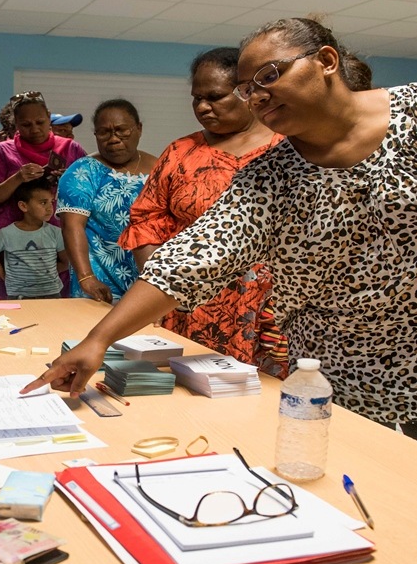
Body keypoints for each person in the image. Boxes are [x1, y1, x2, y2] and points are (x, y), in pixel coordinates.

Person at [27, 17, 417, 564]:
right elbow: (191, 258)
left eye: (270, 76)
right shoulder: (272, 175)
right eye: (249, 88)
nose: (258, 96)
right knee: (347, 497)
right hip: (335, 372)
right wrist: (99, 341)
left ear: (327, 60)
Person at [119, 47, 289, 377]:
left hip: (269, 312)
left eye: (214, 97)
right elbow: (147, 220)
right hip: (189, 304)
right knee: (187, 391)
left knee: (260, 401)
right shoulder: (181, 153)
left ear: (247, 92)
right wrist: (158, 289)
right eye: (196, 98)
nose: (202, 107)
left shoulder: (286, 149)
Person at [0, 91, 86, 299]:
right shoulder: (2, 152)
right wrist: (17, 178)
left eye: (40, 122)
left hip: (55, 244)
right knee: (7, 315)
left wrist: (68, 182)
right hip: (10, 248)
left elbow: (90, 198)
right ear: (15, 124)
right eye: (26, 125)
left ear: (48, 116)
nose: (35, 129)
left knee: (55, 314)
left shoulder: (70, 149)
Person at [57, 99, 156, 303]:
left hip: (151, 283)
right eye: (104, 132)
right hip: (100, 284)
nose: (114, 139)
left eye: (122, 131)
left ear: (139, 129)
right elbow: (71, 225)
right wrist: (87, 277)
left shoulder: (160, 167)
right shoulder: (83, 172)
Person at [0, 181, 67, 299]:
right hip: (18, 296)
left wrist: (44, 275)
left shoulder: (55, 232)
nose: (50, 208)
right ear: (23, 206)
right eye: (43, 202)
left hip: (52, 294)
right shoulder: (6, 234)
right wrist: (6, 277)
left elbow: (66, 262)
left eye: (51, 202)